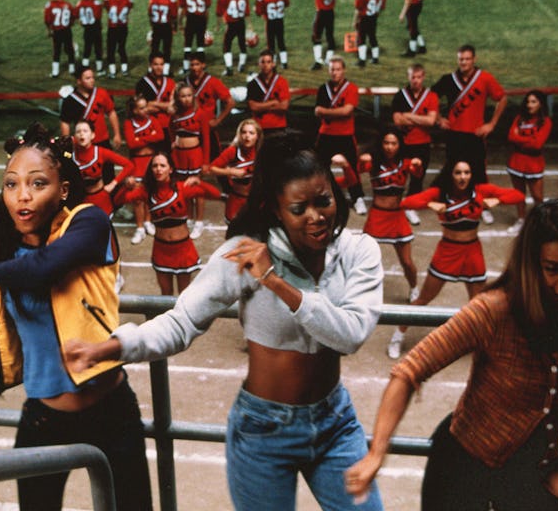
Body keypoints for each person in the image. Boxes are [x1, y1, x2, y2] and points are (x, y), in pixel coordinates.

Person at [66, 141, 385, 511]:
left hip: (336, 424)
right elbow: (182, 320)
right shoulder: (244, 252)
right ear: (276, 211)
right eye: (299, 208)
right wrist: (113, 347)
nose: (316, 216)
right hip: (264, 430)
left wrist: (276, 281)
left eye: (324, 200)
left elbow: (352, 334)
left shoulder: (358, 251)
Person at [0, 128, 152, 511]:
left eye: (38, 184)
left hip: (111, 411)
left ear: (64, 190)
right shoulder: (7, 238)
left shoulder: (89, 224)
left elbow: (44, 268)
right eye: (11, 185)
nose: (22, 195)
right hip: (45, 418)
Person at [346, 198, 558, 511]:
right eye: (552, 269)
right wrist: (376, 453)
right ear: (530, 265)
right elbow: (409, 371)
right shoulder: (495, 310)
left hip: (534, 474)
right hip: (459, 471)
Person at [388, 158, 525, 358]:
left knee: (478, 302)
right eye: (458, 173)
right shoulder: (440, 193)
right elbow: (407, 202)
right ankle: (398, 335)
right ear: (450, 175)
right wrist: (430, 203)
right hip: (447, 252)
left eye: (466, 173)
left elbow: (518, 195)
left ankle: (483, 341)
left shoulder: (481, 190)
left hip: (472, 252)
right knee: (425, 298)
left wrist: (499, 200)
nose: (462, 177)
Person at [117, 152, 221, 295]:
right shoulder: (146, 191)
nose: (158, 169)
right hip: (161, 250)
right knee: (166, 294)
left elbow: (216, 194)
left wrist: (200, 182)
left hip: (183, 249)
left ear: (170, 169)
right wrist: (125, 186)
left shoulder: (181, 188)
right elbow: (118, 201)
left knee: (184, 295)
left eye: (162, 165)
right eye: (155, 166)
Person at [432, 44, 507, 226]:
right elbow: (431, 96)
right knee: (453, 169)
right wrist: (439, 118)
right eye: (461, 59)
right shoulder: (449, 79)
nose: (464, 62)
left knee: (479, 172)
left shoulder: (484, 78)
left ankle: (483, 207)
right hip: (454, 134)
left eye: (467, 59)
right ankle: (454, 202)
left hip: (475, 134)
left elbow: (502, 98)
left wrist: (492, 124)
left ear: (474, 59)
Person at [351, 128, 422, 304]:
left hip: (397, 216)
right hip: (377, 215)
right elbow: (358, 170)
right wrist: (360, 160)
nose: (390, 147)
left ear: (399, 145)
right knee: (364, 258)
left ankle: (414, 288)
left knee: (406, 261)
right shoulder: (374, 162)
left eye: (393, 143)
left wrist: (419, 164)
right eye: (386, 143)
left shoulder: (405, 163)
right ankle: (359, 291)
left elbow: (418, 174)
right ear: (381, 144)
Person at [314, 56, 366, 215]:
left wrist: (327, 112)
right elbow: (317, 111)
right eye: (332, 69)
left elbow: (347, 111)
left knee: (352, 168)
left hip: (345, 135)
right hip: (326, 134)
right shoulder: (324, 88)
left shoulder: (351, 88)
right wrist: (336, 113)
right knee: (319, 168)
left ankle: (357, 198)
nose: (335, 73)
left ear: (343, 70)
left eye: (337, 69)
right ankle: (322, 197)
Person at [392, 63, 439, 225]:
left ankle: (410, 207)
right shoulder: (400, 95)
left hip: (422, 143)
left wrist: (409, 115)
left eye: (419, 77)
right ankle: (395, 204)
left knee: (418, 177)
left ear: (423, 77)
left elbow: (431, 121)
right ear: (408, 77)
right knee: (399, 174)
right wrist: (420, 118)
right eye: (413, 77)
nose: (416, 81)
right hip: (403, 143)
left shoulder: (431, 96)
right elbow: (398, 120)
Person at [505, 90, 552, 234]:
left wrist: (520, 138)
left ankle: (541, 222)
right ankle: (521, 219)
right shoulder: (520, 118)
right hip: (516, 161)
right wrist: (529, 140)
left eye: (534, 102)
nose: (529, 105)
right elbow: (510, 137)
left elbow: (537, 144)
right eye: (528, 102)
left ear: (541, 104)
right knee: (519, 195)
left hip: (534, 163)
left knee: (537, 196)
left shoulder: (546, 122)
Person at [170, 82, 211, 240]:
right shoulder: (174, 115)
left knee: (197, 189)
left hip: (195, 154)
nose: (186, 99)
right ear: (177, 98)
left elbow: (206, 138)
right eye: (182, 96)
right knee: (184, 189)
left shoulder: (200, 114)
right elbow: (170, 129)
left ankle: (199, 222)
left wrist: (206, 162)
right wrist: (173, 142)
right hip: (179, 156)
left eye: (189, 95)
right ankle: (187, 218)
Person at [72, 119, 134, 217]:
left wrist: (113, 184)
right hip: (81, 202)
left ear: (92, 135)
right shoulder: (71, 156)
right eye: (78, 132)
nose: (81, 134)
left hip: (101, 201)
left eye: (85, 131)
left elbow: (129, 165)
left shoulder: (100, 152)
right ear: (74, 137)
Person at [123, 95, 164, 244]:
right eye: (141, 108)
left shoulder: (152, 120)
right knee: (139, 197)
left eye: (146, 106)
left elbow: (160, 135)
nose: (145, 110)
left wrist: (140, 139)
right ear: (134, 110)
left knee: (150, 194)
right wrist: (149, 136)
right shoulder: (129, 123)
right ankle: (139, 227)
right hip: (137, 163)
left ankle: (148, 221)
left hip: (150, 161)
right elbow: (131, 144)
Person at [59, 66, 122, 161]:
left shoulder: (102, 93)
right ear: (79, 81)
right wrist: (67, 143)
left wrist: (117, 134)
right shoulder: (70, 100)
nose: (92, 80)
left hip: (103, 140)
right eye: (88, 78)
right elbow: (65, 122)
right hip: (83, 142)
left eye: (93, 77)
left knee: (108, 170)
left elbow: (111, 112)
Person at [184, 51, 235, 166]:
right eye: (191, 64)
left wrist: (218, 120)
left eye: (197, 64)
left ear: (203, 65)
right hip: (190, 129)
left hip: (208, 129)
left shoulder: (213, 82)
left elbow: (230, 102)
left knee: (216, 162)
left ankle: (225, 183)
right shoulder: (185, 83)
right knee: (192, 163)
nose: (194, 67)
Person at [209, 118, 263, 222]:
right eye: (244, 132)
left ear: (257, 136)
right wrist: (231, 171)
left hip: (256, 200)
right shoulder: (233, 151)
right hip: (236, 200)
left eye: (251, 133)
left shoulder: (261, 151)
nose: (247, 136)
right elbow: (211, 168)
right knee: (235, 235)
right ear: (239, 135)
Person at [301, 0, 343, 71]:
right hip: (331, 12)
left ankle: (318, 61)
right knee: (330, 36)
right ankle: (329, 59)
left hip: (321, 13)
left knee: (316, 36)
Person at [135, 51, 176, 148]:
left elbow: (174, 105)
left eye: (161, 64)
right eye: (156, 64)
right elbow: (145, 108)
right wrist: (166, 106)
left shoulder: (170, 82)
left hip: (168, 126)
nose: (159, 67)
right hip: (150, 126)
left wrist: (153, 103)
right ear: (150, 65)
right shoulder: (142, 83)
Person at [246, 49, 290, 137]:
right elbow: (253, 107)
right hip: (258, 127)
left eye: (268, 62)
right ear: (259, 64)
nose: (265, 65)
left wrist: (261, 107)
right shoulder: (253, 83)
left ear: (273, 64)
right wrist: (273, 103)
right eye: (262, 62)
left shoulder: (282, 82)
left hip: (278, 127)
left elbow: (284, 106)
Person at [177, 0, 212, 76]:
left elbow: (181, 10)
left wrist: (179, 23)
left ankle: (186, 67)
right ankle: (202, 67)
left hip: (190, 19)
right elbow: (206, 11)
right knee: (200, 45)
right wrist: (206, 24)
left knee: (187, 44)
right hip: (201, 19)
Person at [216, 0, 250, 75]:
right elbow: (247, 13)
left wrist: (218, 25)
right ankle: (241, 65)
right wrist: (250, 25)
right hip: (241, 22)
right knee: (242, 44)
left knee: (227, 45)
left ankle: (229, 68)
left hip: (231, 24)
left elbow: (219, 13)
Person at [255, 0, 289, 68]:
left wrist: (257, 10)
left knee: (271, 44)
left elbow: (258, 12)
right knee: (281, 41)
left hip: (270, 22)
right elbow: (287, 4)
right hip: (280, 21)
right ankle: (284, 62)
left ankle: (272, 63)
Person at [353, 0, 385, 68]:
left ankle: (362, 60)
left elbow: (358, 9)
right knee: (372, 37)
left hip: (364, 18)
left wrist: (355, 21)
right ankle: (375, 58)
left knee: (361, 38)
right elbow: (381, 8)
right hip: (373, 17)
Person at [43, 0, 76, 79]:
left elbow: (47, 19)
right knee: (70, 50)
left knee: (57, 51)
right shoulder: (68, 5)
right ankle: (72, 69)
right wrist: (70, 24)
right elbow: (73, 17)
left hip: (56, 31)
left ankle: (55, 72)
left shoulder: (50, 4)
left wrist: (49, 30)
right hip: (66, 30)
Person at [103, 0, 133, 79]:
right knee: (122, 48)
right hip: (123, 28)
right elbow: (128, 9)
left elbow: (107, 8)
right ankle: (124, 70)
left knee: (111, 50)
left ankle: (112, 72)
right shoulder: (128, 1)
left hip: (113, 28)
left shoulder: (108, 0)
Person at [148, 0, 178, 76]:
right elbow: (173, 17)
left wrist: (152, 26)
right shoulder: (171, 1)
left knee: (154, 48)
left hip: (156, 26)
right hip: (166, 27)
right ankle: (165, 71)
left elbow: (150, 14)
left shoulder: (153, 0)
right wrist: (175, 27)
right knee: (167, 49)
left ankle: (151, 69)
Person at [75, 0, 104, 75]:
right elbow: (98, 17)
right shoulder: (97, 4)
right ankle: (99, 70)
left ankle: (83, 69)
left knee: (87, 49)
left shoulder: (79, 4)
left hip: (87, 29)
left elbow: (77, 17)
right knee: (98, 49)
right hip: (95, 28)